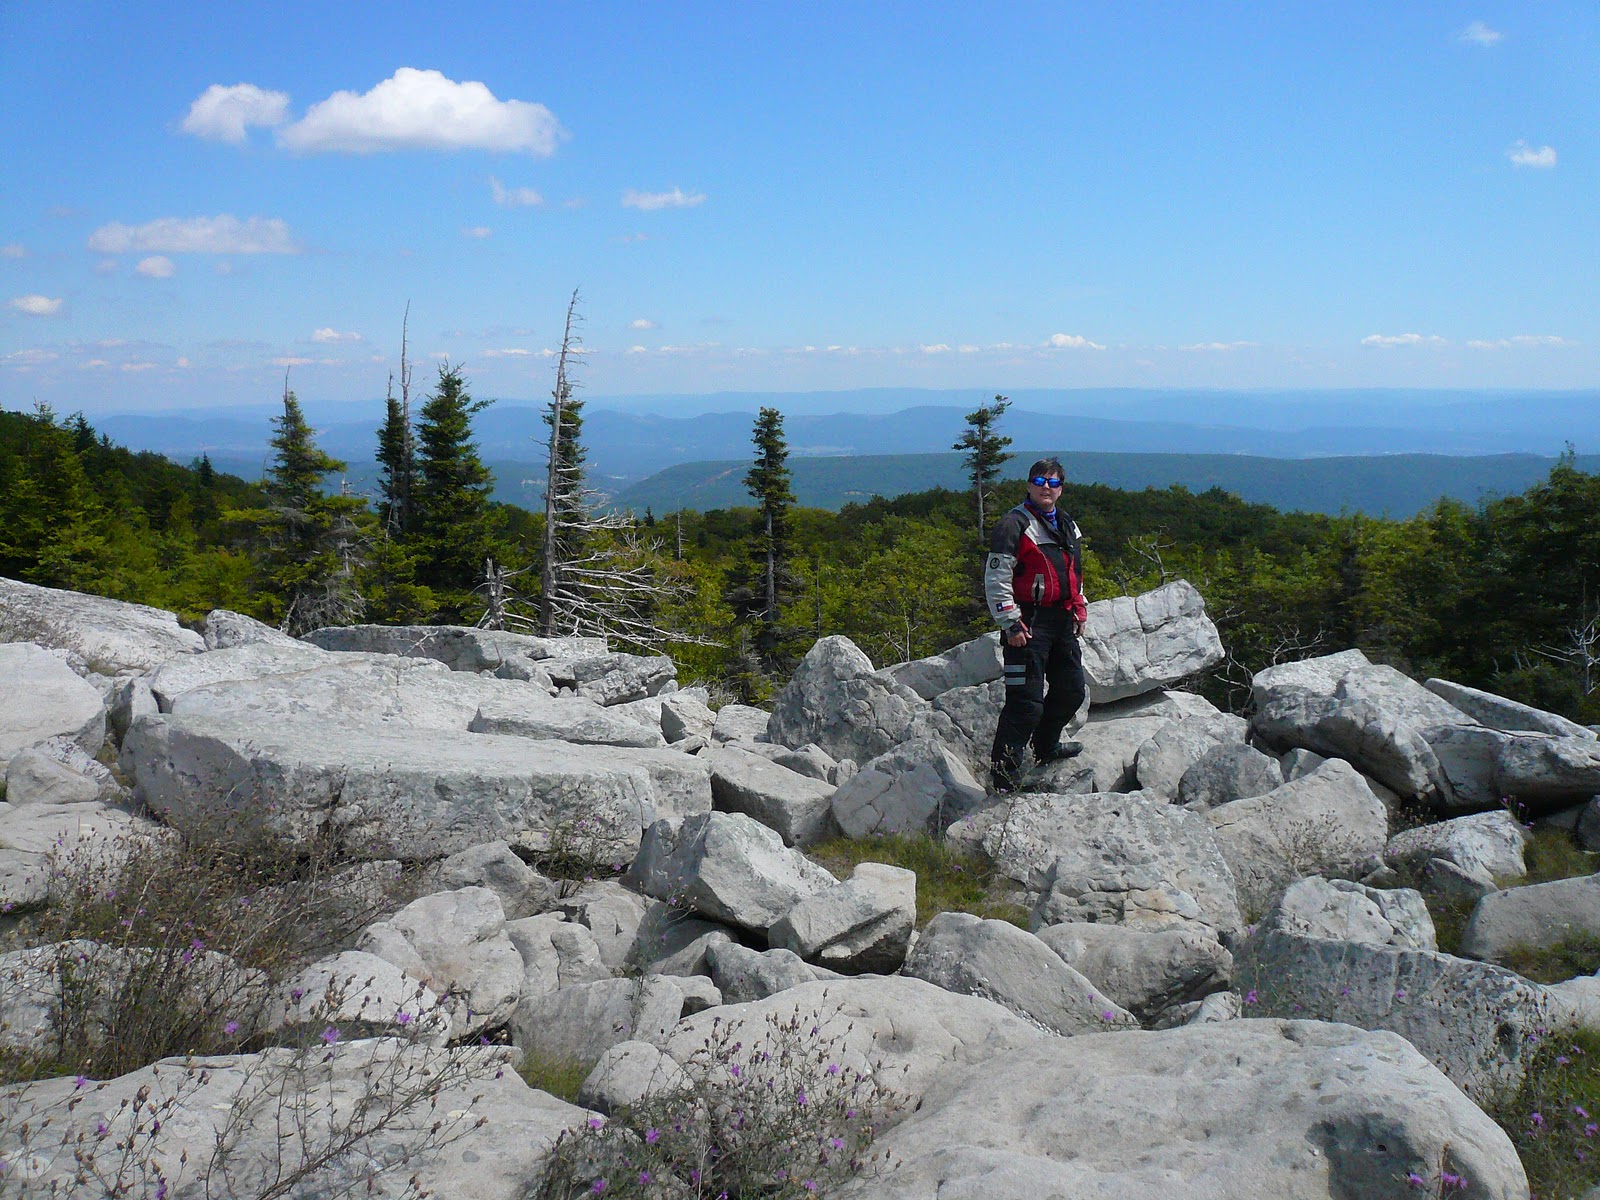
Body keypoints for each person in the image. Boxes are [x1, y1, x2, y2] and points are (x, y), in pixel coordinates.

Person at [984, 457, 1088, 792]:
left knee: (1072, 691)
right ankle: (1004, 778)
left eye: (1054, 482)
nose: (1047, 487)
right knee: (1025, 704)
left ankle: (1046, 746)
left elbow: (1073, 572)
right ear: (1029, 485)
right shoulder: (1014, 525)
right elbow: (997, 577)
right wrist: (1010, 622)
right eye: (1040, 481)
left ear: (1061, 489)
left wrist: (1078, 607)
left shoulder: (1067, 524)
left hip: (1061, 620)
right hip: (1028, 622)